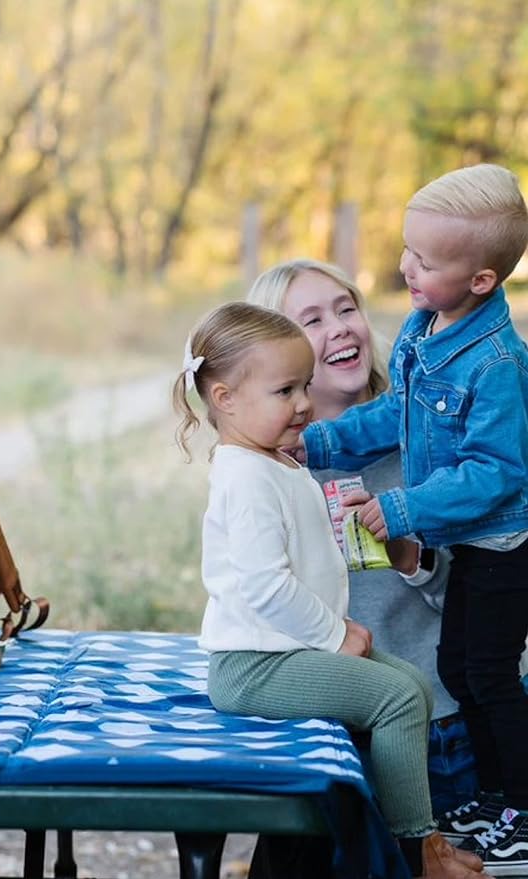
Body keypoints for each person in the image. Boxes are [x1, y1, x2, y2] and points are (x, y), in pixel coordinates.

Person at [172, 300, 488, 879]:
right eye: (285, 391)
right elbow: (265, 586)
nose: (303, 404)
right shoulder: (245, 476)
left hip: (282, 652)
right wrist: (334, 632)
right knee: (394, 699)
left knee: (412, 686)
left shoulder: (272, 462)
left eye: (305, 387)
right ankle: (419, 849)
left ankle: (421, 840)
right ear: (225, 399)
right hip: (253, 666)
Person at [300, 163, 528, 876]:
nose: (405, 267)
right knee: (466, 665)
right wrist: (321, 442)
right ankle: (495, 797)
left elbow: (499, 471)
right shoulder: (424, 326)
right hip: (460, 545)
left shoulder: (495, 363)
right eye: (407, 249)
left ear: (482, 280)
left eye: (424, 261)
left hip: (500, 541)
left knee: (487, 671)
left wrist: (398, 510)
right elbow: (392, 415)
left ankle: (518, 805)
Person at [248, 258, 477, 816]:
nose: (340, 327)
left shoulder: (429, 438)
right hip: (325, 731)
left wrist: (408, 554)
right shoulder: (264, 468)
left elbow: (493, 598)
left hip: (441, 728)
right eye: (312, 320)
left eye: (346, 308)